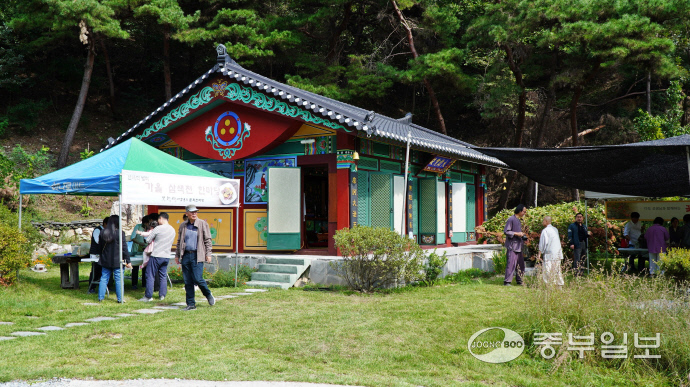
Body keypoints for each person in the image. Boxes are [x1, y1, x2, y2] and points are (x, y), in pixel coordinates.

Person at [175, 204, 215, 310]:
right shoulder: (183, 225)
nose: (194, 214)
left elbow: (208, 240)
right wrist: (177, 255)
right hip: (186, 255)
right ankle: (191, 304)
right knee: (187, 281)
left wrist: (208, 254)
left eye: (195, 212)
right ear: (186, 213)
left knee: (198, 278)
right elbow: (179, 241)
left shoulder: (202, 224)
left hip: (197, 255)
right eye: (192, 212)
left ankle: (208, 294)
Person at [138, 213, 175, 302]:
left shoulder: (158, 228)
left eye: (158, 220)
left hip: (156, 255)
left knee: (149, 274)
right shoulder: (172, 229)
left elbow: (148, 240)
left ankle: (148, 296)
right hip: (166, 256)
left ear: (161, 218)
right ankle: (162, 295)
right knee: (163, 275)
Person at [97, 215, 132, 303]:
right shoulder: (120, 233)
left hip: (105, 260)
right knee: (119, 280)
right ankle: (120, 299)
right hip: (117, 260)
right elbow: (124, 248)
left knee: (104, 278)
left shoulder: (102, 232)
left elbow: (100, 247)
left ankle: (100, 298)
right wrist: (128, 261)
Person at [503, 204, 527, 286]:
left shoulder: (518, 220)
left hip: (519, 246)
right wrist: (517, 233)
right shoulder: (511, 219)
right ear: (520, 211)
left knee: (521, 264)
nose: (524, 213)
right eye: (524, 211)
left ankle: (520, 280)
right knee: (511, 264)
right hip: (512, 246)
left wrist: (522, 236)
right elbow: (506, 231)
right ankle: (507, 282)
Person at [537, 216, 564, 286]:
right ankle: (559, 285)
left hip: (549, 254)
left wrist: (539, 254)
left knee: (548, 271)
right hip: (557, 253)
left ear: (546, 221)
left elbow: (543, 243)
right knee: (557, 270)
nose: (542, 222)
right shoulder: (555, 229)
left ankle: (550, 286)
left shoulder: (545, 231)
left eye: (543, 221)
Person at [87, 217, 109, 294]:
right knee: (95, 270)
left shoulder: (107, 231)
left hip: (103, 254)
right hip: (95, 253)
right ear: (105, 223)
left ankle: (106, 286)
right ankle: (92, 287)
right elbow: (98, 241)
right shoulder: (97, 230)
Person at [129, 215, 149, 290]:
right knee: (135, 267)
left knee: (145, 266)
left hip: (146, 249)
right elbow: (132, 237)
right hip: (137, 249)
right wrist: (139, 243)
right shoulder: (138, 226)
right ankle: (134, 284)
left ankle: (144, 283)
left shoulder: (149, 228)